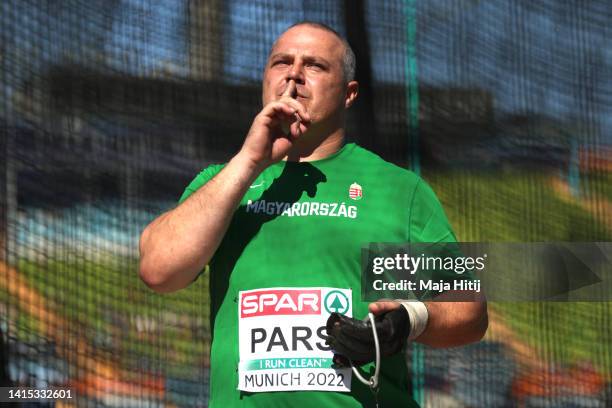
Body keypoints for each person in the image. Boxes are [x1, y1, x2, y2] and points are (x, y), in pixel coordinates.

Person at [139, 21, 487, 407]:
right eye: (281, 63)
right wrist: (250, 161)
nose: (294, 74)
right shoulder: (223, 184)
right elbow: (159, 269)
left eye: (315, 66)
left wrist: (406, 322)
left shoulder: (396, 189)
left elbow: (469, 312)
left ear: (349, 94)